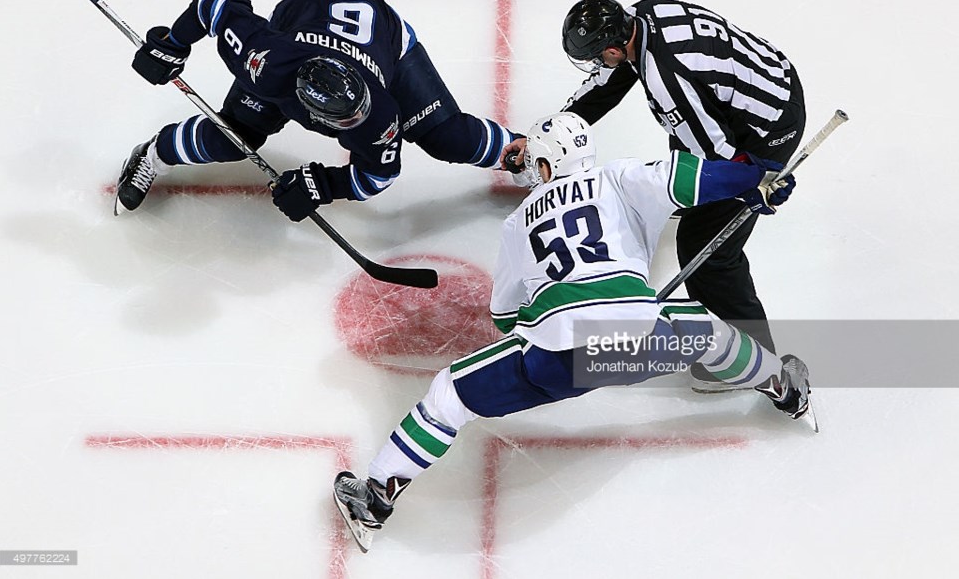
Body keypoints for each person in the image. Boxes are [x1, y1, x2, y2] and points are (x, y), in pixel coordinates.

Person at [333, 113, 810, 552]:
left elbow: (503, 316)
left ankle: (375, 498)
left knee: (449, 394)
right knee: (707, 331)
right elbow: (690, 176)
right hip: (639, 344)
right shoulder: (619, 178)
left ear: (544, 165)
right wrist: (756, 181)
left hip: (558, 360)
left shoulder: (520, 221)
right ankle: (785, 389)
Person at [504, 0, 804, 370]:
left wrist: (753, 184)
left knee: (707, 247)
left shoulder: (671, 81)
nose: (597, 64)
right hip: (767, 77)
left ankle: (754, 356)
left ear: (614, 47)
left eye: (600, 56)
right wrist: (541, 142)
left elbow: (719, 159)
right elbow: (606, 86)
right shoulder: (642, 15)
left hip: (766, 127)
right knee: (687, 158)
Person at [115, 0, 516, 221]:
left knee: (448, 137)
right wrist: (173, 43)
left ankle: (535, 152)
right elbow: (215, 1)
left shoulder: (379, 114)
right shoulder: (267, 63)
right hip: (300, 16)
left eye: (358, 114)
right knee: (232, 137)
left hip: (385, 37)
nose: (356, 124)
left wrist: (324, 184)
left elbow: (377, 176)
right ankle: (152, 155)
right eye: (344, 122)